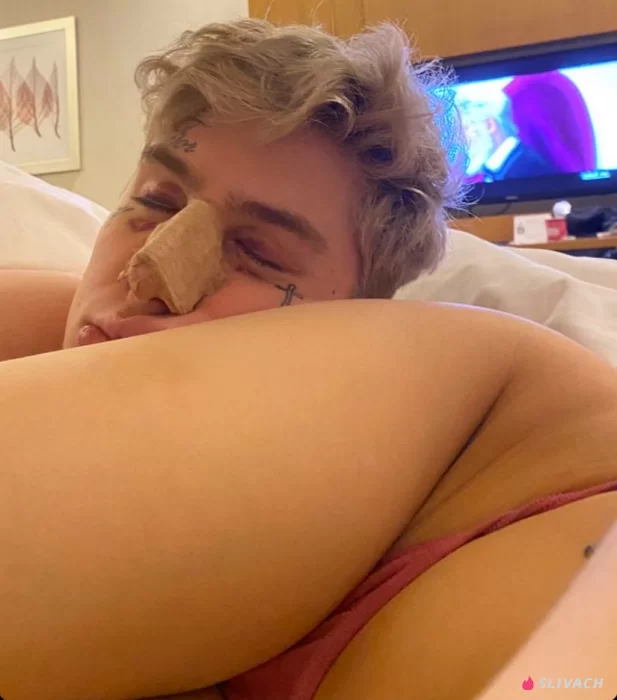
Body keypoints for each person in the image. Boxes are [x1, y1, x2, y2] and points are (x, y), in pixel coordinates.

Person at [0, 18, 616, 700]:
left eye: (256, 252)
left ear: (365, 314)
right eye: (153, 203)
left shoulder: (470, 386)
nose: (149, 272)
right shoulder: (82, 316)